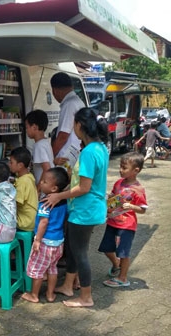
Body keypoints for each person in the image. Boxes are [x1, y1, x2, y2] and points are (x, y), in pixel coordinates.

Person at [42, 107, 109, 308]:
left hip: (85, 211)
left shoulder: (89, 152)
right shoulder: (100, 147)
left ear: (80, 125)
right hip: (87, 209)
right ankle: (68, 286)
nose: (73, 128)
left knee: (80, 254)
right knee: (73, 250)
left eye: (74, 125)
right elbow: (86, 179)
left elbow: (84, 187)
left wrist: (58, 196)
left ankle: (86, 297)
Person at [99, 152, 147, 288]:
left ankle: (123, 278)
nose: (120, 170)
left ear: (136, 170)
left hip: (127, 226)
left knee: (123, 253)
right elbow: (113, 197)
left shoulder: (138, 190)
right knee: (106, 248)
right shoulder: (118, 183)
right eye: (120, 166)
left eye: (124, 168)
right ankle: (116, 264)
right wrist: (109, 199)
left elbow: (143, 209)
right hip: (112, 222)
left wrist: (132, 206)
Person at [21, 167, 69, 303]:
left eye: (44, 182)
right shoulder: (64, 202)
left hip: (45, 242)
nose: (41, 183)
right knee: (52, 268)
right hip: (58, 242)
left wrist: (37, 240)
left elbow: (43, 222)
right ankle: (50, 294)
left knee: (37, 269)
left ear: (54, 188)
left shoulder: (45, 203)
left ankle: (34, 295)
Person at [50, 72, 85, 171]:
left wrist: (51, 156)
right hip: (75, 154)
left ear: (55, 90)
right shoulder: (78, 101)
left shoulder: (69, 104)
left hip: (66, 156)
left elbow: (63, 136)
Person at [7, 147, 38, 232]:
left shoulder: (23, 182)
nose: (9, 164)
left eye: (11, 162)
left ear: (20, 165)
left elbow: (16, 203)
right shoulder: (29, 176)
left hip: (25, 222)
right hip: (32, 219)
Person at [25, 110, 55, 191]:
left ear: (34, 127)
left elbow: (46, 168)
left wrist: (38, 189)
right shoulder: (45, 142)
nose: (26, 130)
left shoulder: (39, 146)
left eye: (27, 127)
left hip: (44, 189)